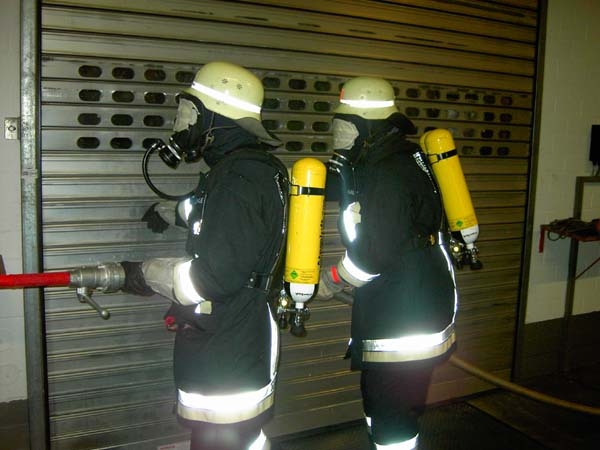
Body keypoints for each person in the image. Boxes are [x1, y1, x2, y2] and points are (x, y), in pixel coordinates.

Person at [120, 61, 288, 450]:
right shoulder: (242, 170)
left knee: (221, 438)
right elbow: (220, 216)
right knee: (241, 438)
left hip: (228, 342)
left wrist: (143, 273)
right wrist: (172, 211)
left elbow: (212, 278)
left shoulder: (238, 178)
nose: (180, 123)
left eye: (188, 112)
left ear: (215, 117)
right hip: (235, 333)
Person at [316, 76, 458, 449]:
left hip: (403, 315)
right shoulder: (393, 160)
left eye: (345, 127)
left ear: (368, 127)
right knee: (381, 402)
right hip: (407, 300)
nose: (338, 136)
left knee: (392, 413)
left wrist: (332, 279)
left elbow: (374, 254)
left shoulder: (387, 172)